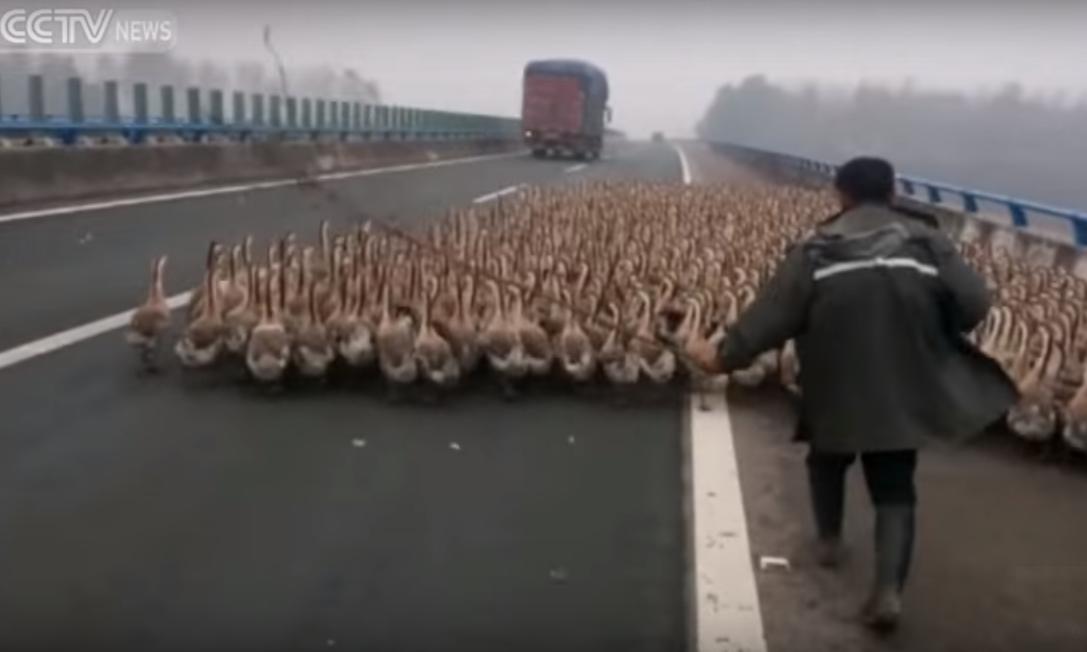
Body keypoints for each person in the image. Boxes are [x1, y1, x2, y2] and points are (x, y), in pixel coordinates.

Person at [686, 156, 1017, 630]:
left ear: (840, 194)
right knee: (894, 486)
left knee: (826, 454)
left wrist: (722, 357)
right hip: (902, 383)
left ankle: (828, 540)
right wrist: (935, 328)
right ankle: (887, 593)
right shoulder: (925, 240)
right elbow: (975, 302)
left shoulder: (816, 250)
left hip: (833, 377)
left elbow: (771, 316)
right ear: (894, 192)